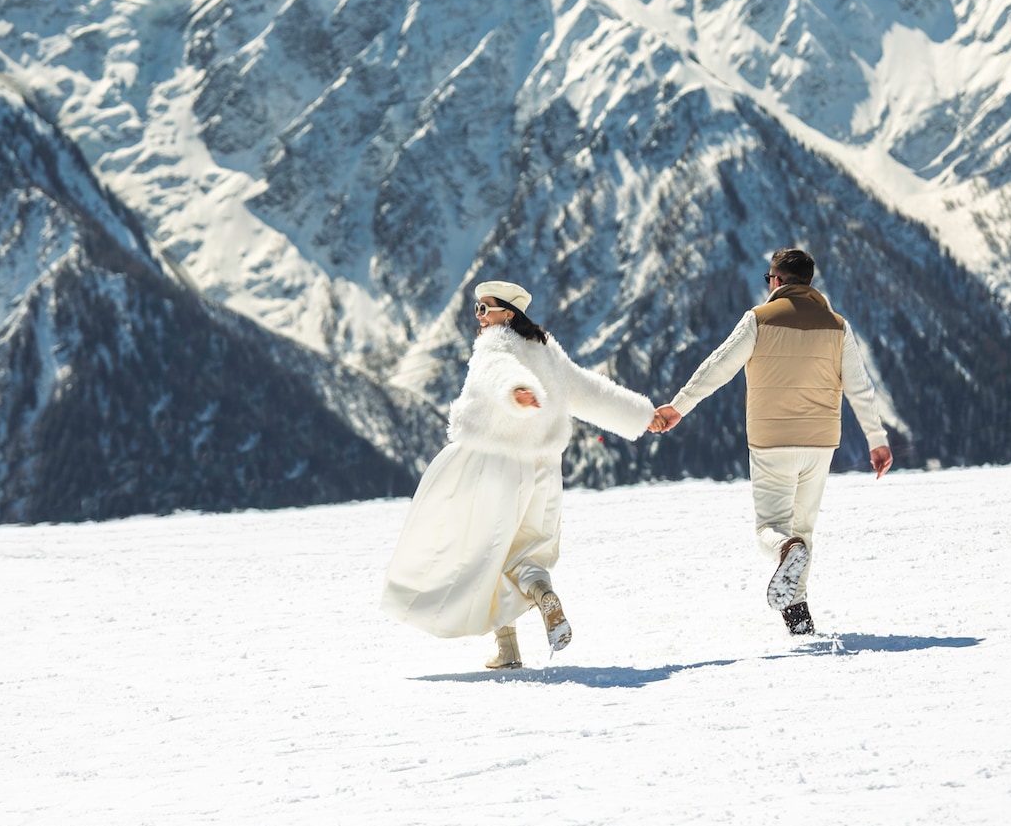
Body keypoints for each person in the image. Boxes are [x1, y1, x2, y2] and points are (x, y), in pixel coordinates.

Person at [382, 280, 664, 670]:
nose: (479, 316)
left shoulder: (493, 345)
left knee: (481, 551)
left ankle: (509, 647)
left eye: (485, 308)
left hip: (495, 464)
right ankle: (539, 596)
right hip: (544, 469)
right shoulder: (547, 351)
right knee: (523, 552)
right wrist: (642, 415)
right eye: (477, 308)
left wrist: (517, 388)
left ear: (508, 313)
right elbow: (589, 390)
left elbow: (498, 371)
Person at [650, 247, 892, 635]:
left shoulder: (759, 319)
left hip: (772, 442)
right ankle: (798, 616)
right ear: (809, 282)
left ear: (776, 280)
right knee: (804, 528)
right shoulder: (837, 326)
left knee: (771, 528)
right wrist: (877, 440)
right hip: (820, 443)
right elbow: (860, 387)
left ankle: (785, 551)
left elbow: (718, 366)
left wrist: (679, 407)